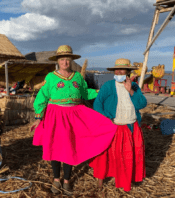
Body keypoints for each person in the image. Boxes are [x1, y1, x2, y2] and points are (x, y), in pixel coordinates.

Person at [31, 45, 118, 195]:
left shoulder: (77, 76)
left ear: (71, 61)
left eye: (68, 59)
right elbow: (42, 97)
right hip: (55, 114)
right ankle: (56, 179)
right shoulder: (51, 77)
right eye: (62, 59)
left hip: (75, 113)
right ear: (58, 61)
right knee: (55, 147)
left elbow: (84, 93)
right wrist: (38, 117)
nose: (65, 62)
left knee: (70, 147)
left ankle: (67, 181)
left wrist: (100, 91)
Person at [89, 58, 147, 192]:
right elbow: (98, 104)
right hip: (112, 126)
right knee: (105, 156)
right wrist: (106, 118)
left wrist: (130, 91)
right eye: (117, 69)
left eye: (122, 70)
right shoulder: (108, 86)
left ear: (127, 72)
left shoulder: (134, 86)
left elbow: (142, 104)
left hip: (130, 126)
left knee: (127, 156)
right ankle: (100, 184)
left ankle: (126, 181)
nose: (119, 72)